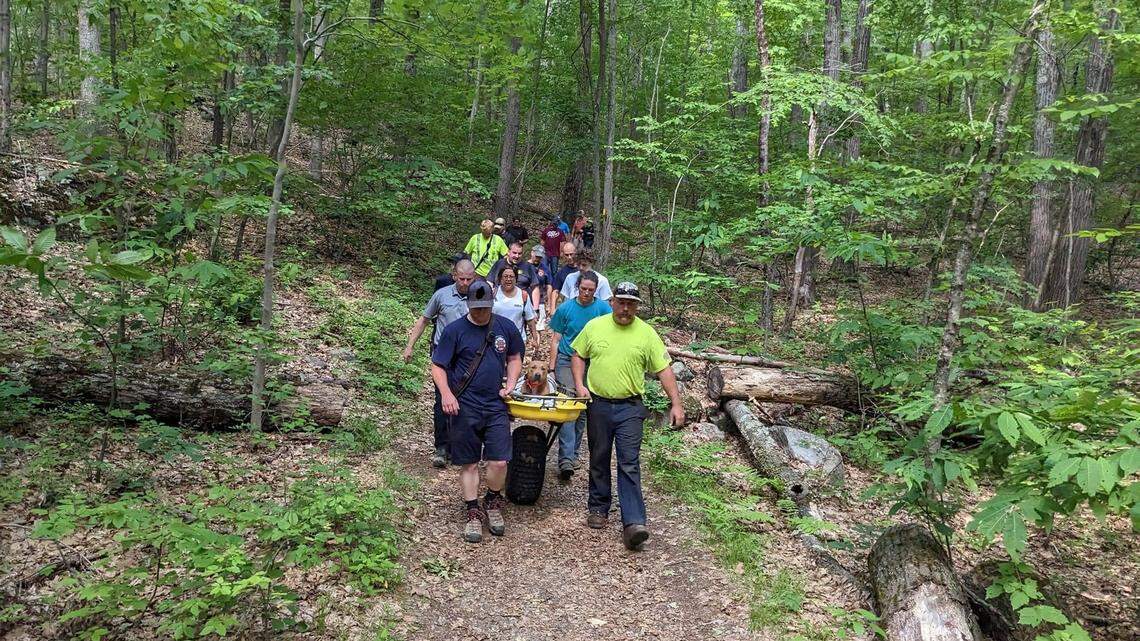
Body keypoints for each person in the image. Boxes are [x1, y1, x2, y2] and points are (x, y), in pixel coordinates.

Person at [570, 281, 684, 550]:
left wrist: (676, 403)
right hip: (597, 403)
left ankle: (633, 522)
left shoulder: (646, 334)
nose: (625, 308)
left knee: (629, 461)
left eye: (630, 304)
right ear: (612, 302)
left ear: (637, 306)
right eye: (621, 302)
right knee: (598, 455)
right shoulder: (595, 326)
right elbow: (578, 354)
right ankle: (598, 507)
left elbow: (664, 369)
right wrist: (579, 384)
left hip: (630, 407)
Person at [431, 281, 523, 544]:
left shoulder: (505, 327)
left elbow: (515, 356)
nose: (480, 312)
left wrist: (511, 384)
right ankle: (472, 510)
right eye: (476, 308)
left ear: (492, 304)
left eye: (485, 308)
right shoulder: (454, 330)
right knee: (469, 462)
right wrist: (447, 394)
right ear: (469, 305)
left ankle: (493, 501)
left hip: (496, 404)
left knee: (499, 461)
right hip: (465, 404)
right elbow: (438, 366)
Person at [404, 259, 477, 468]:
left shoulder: (478, 295)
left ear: (474, 278)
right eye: (461, 278)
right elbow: (424, 320)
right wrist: (410, 346)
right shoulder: (441, 295)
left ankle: (458, 447)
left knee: (464, 401)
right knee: (442, 400)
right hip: (443, 355)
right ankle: (442, 446)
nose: (464, 283)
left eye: (468, 279)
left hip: (469, 357)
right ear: (454, 276)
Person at [547, 272, 612, 480]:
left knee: (583, 408)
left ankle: (574, 453)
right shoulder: (565, 308)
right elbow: (556, 339)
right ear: (577, 287)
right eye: (583, 289)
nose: (586, 293)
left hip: (592, 361)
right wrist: (551, 366)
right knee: (568, 405)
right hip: (566, 359)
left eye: (590, 290)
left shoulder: (602, 308)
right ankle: (565, 459)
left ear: (596, 290)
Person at [492, 265, 538, 351]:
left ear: (516, 279)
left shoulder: (523, 295)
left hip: (517, 340)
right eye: (505, 276)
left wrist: (535, 338)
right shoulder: (493, 294)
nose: (508, 279)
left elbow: (530, 319)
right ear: (500, 279)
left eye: (511, 277)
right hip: (495, 340)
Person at [547, 242, 578, 317]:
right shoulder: (561, 272)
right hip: (569, 307)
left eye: (571, 254)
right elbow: (555, 291)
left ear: (575, 253)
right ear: (563, 255)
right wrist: (552, 309)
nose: (569, 257)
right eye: (567, 255)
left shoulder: (583, 268)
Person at [528, 245, 551, 330]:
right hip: (526, 300)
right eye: (536, 256)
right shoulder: (524, 265)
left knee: (538, 328)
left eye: (540, 257)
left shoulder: (545, 268)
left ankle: (536, 343)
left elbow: (549, 285)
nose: (538, 259)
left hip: (540, 301)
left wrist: (548, 304)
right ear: (532, 253)